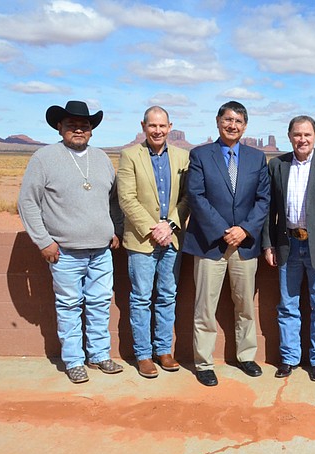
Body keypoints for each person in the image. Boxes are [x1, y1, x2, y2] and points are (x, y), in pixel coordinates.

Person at [18, 100, 124, 384]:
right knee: (69, 305)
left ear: (91, 130)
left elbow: (112, 201)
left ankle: (99, 355)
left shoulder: (101, 158)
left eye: (84, 125)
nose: (78, 129)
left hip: (101, 251)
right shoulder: (44, 158)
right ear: (59, 127)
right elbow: (28, 203)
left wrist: (116, 229)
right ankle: (74, 360)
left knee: (100, 303)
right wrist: (43, 241)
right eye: (71, 125)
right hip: (64, 252)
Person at [182, 101, 270, 387]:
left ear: (245, 126)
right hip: (210, 244)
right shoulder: (200, 155)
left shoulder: (257, 158)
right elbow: (196, 196)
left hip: (245, 245)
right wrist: (223, 230)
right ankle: (204, 362)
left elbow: (263, 199)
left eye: (239, 121)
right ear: (218, 121)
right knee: (205, 306)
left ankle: (246, 356)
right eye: (228, 120)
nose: (233, 125)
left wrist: (244, 230)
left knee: (244, 304)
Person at [262, 116, 315, 382]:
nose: (302, 139)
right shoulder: (277, 165)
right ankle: (289, 358)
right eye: (297, 135)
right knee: (288, 305)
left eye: (307, 135)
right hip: (288, 244)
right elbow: (269, 211)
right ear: (289, 136)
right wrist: (268, 244)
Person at [117, 106, 189, 379]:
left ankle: (163, 350)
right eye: (152, 126)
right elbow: (127, 198)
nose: (157, 131)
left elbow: (187, 197)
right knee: (141, 298)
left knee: (168, 296)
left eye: (162, 126)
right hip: (142, 241)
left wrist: (169, 225)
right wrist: (154, 228)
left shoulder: (183, 156)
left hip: (172, 239)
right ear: (143, 126)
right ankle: (144, 355)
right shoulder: (129, 155)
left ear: (170, 127)